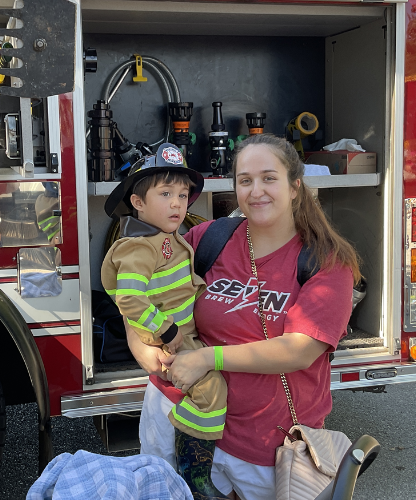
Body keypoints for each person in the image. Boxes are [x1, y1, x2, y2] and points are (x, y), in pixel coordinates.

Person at [126, 134, 361, 500]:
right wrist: (137, 342)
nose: (256, 191)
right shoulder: (210, 238)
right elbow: (141, 283)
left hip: (266, 445)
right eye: (245, 180)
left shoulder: (326, 262)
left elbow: (300, 350)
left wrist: (207, 357)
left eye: (269, 178)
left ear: (295, 187)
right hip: (177, 415)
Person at [101, 143, 229, 499]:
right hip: (170, 336)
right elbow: (129, 298)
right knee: (211, 389)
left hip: (179, 329)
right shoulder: (138, 246)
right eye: (166, 193)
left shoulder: (165, 238)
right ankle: (194, 470)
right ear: (138, 202)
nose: (178, 203)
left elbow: (179, 281)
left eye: (184, 194)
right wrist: (166, 330)